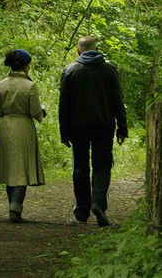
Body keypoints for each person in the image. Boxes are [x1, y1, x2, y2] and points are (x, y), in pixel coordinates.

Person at [58, 36, 128, 227]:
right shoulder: (109, 70)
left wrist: (64, 131)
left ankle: (81, 213)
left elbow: (63, 105)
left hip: (77, 126)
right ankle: (98, 203)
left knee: (80, 167)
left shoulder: (70, 70)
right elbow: (117, 101)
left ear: (78, 51)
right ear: (97, 49)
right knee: (102, 165)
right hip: (103, 125)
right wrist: (122, 127)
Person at [0, 49, 46, 223]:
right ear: (25, 66)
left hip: (6, 126)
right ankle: (15, 207)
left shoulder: (0, 84)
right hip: (23, 126)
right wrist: (42, 112)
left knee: (10, 167)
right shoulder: (30, 86)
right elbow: (36, 111)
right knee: (21, 168)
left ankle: (12, 205)